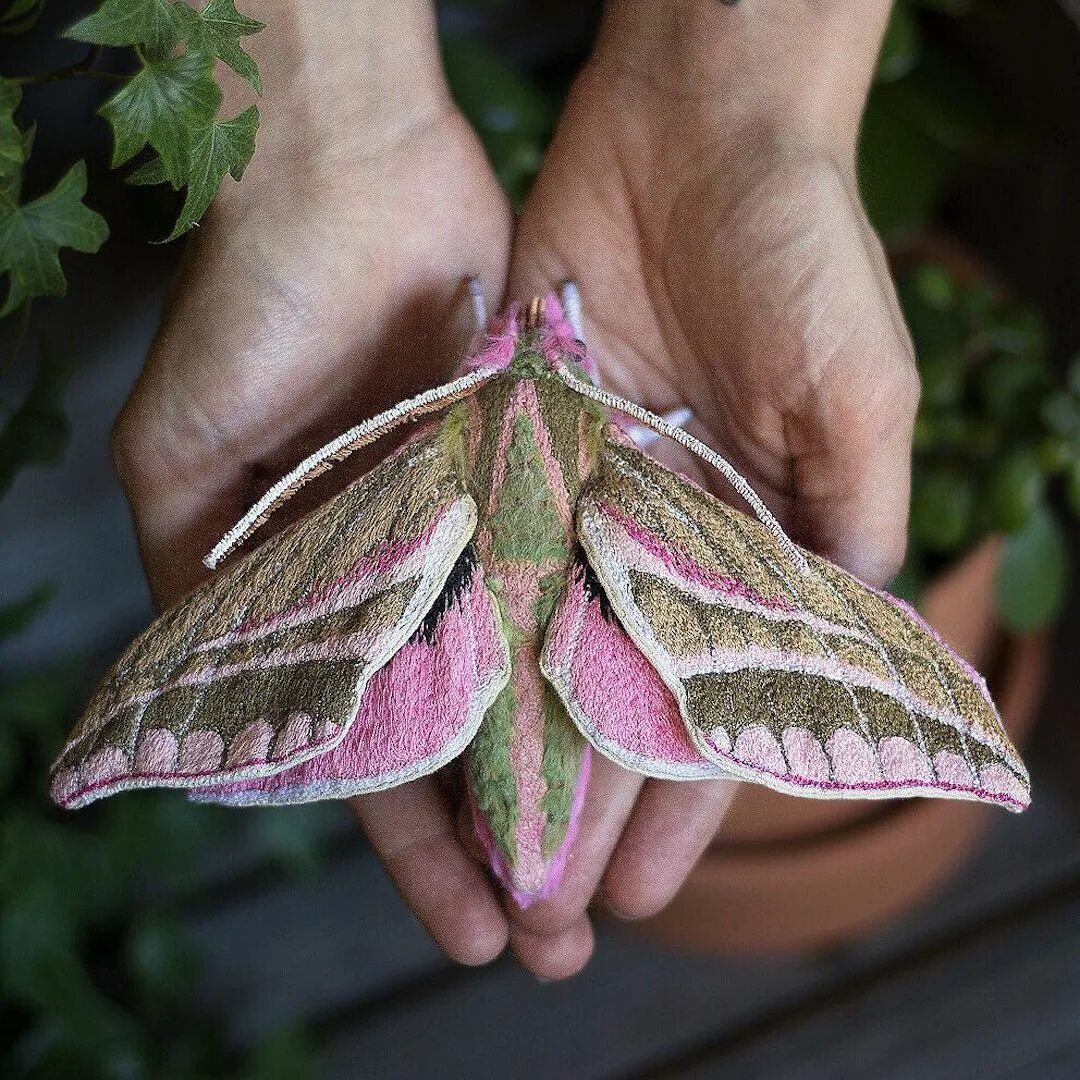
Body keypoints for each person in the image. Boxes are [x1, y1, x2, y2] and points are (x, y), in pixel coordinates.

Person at [111, 0, 919, 981]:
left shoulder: (426, 442)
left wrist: (327, 145)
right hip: (599, 576)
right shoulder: (625, 448)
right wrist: (745, 116)